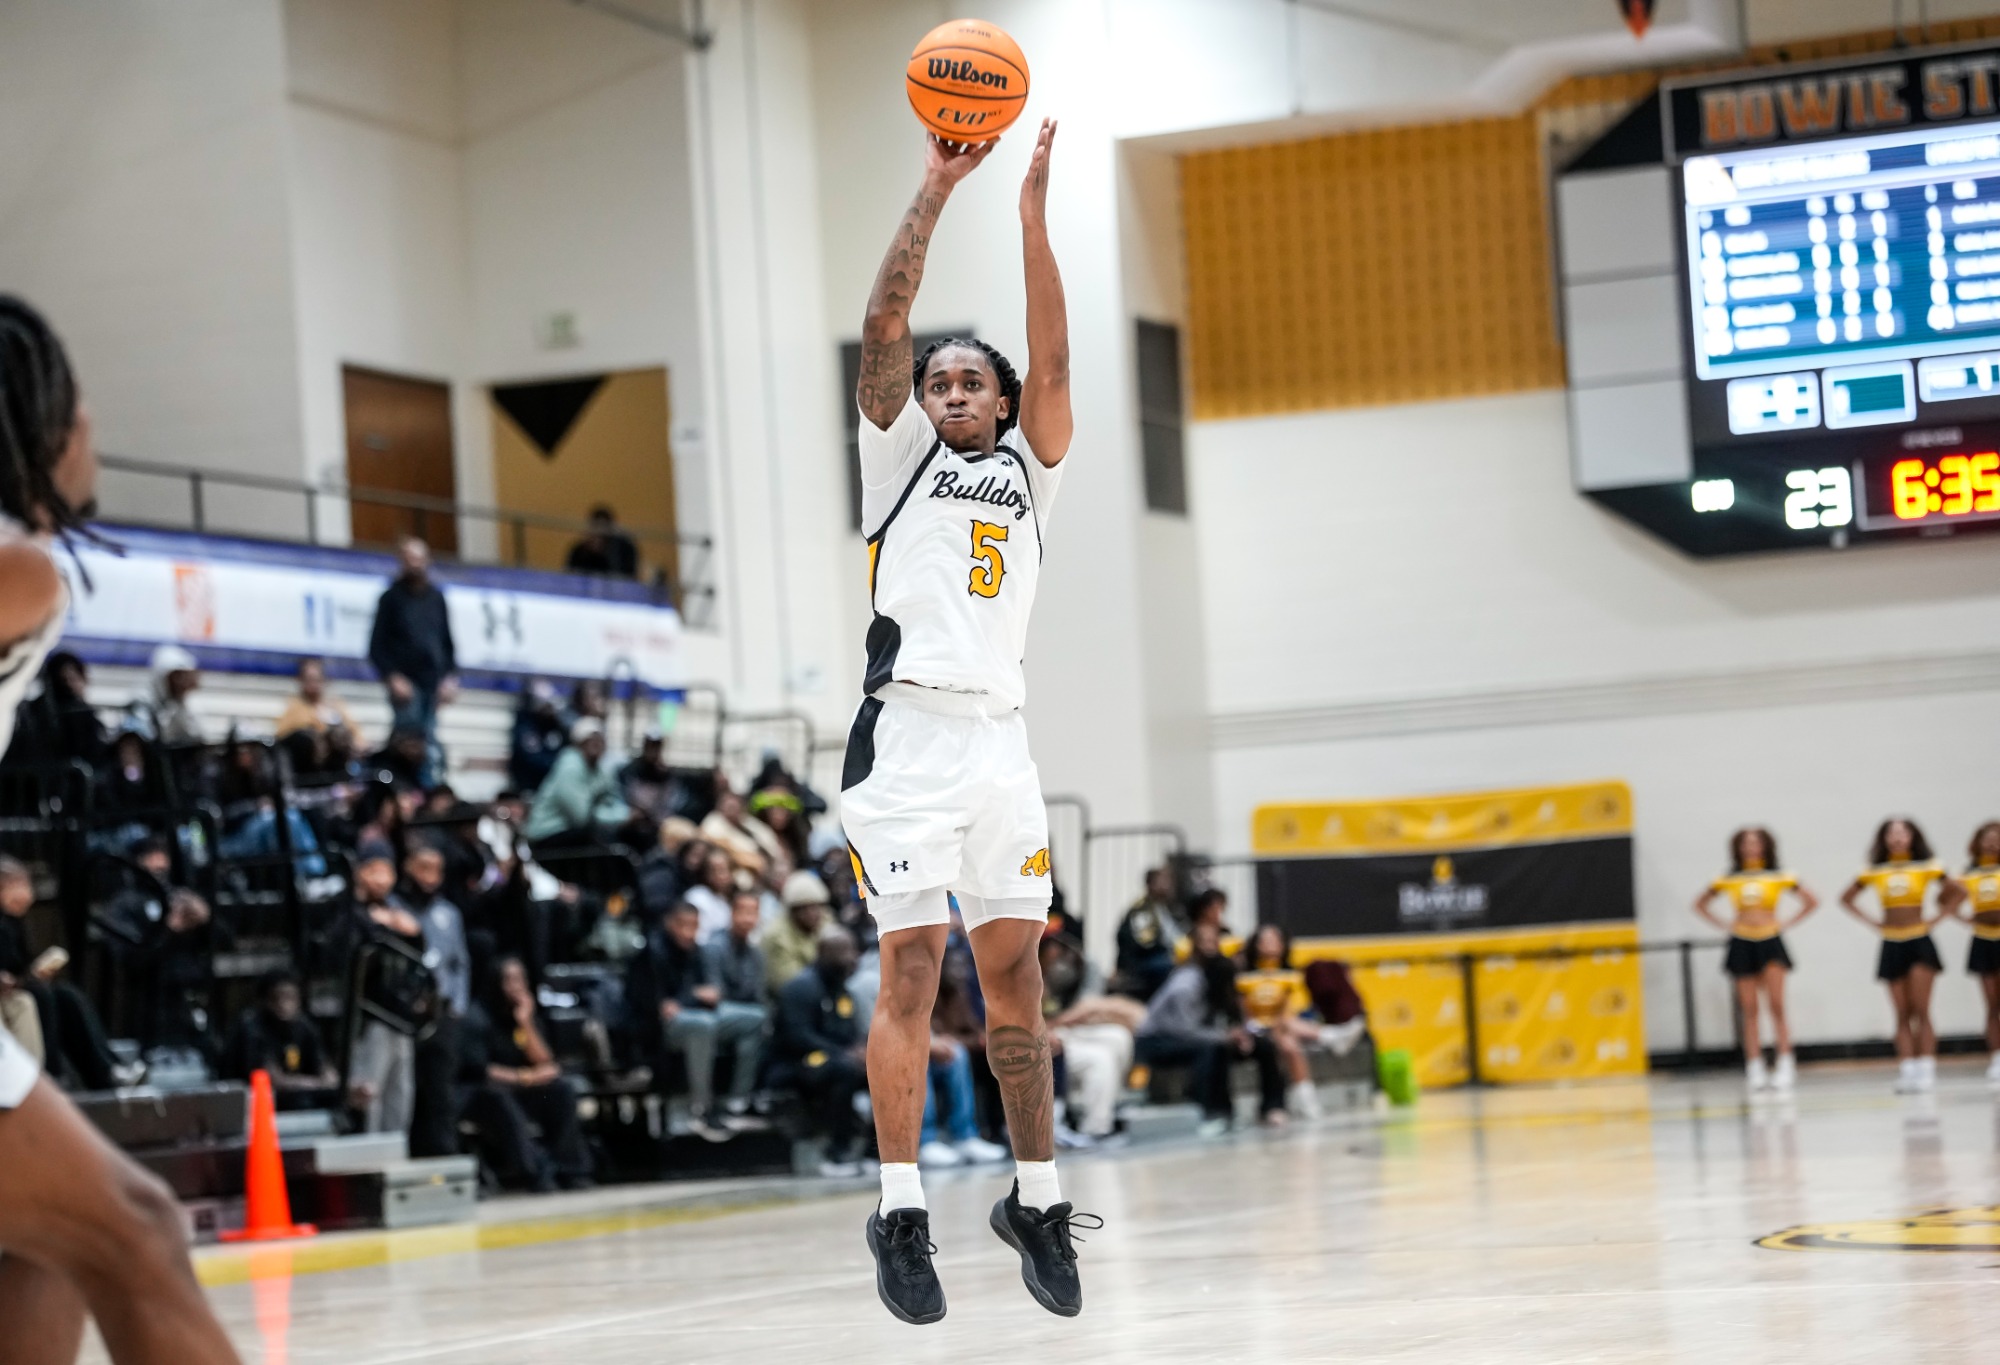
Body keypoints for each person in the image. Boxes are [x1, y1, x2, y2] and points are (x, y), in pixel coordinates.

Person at [843, 121, 1093, 1325]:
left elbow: (1053, 355)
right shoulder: (894, 456)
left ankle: (1033, 1197)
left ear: (996, 402)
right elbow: (883, 326)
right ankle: (899, 1213)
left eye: (966, 380)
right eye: (937, 381)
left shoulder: (1031, 467)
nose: (948, 390)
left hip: (1002, 745)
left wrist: (1034, 224)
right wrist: (937, 190)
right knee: (910, 972)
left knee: (1017, 984)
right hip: (906, 744)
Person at [0, 295, 244, 1364]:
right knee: (138, 1232)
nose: (95, 417)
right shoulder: (23, 571)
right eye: (79, 399)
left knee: (41, 1251)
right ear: (40, 425)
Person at [1694, 827, 1819, 1093]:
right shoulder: (1729, 878)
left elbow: (1811, 900)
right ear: (1738, 848)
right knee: (1749, 1008)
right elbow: (1700, 903)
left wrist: (1786, 922)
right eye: (1746, 843)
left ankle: (1785, 1062)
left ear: (1766, 847)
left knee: (1776, 1004)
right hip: (1741, 941)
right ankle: (1755, 1065)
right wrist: (1724, 924)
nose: (1751, 848)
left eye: (1756, 843)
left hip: (1770, 940)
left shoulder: (1779, 876)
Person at [625, 901, 761, 1139]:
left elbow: (707, 992)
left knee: (755, 1018)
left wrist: (691, 998)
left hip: (696, 1013)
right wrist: (690, 997)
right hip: (659, 1028)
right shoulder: (651, 954)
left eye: (694, 926)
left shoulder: (696, 950)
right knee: (703, 1025)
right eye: (683, 926)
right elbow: (653, 1005)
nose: (689, 933)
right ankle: (701, 1107)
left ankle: (737, 1100)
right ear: (669, 924)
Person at [1135, 919, 1286, 1132]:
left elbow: (1230, 1022)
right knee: (1211, 1049)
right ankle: (1213, 1111)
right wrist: (1226, 1037)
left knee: (1264, 1045)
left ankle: (1272, 1107)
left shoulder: (1220, 982)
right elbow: (1185, 1032)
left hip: (1201, 1034)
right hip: (1157, 1040)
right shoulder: (1185, 987)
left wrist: (1242, 1034)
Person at [459, 957, 593, 1191]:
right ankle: (535, 1172)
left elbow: (543, 1059)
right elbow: (480, 1069)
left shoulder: (523, 1013)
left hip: (522, 1088)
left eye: (520, 980)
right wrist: (527, 1078)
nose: (516, 986)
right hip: (482, 1092)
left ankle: (571, 1170)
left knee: (560, 1091)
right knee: (500, 1099)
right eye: (509, 980)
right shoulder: (477, 1016)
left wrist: (525, 1022)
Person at [1841, 818, 1948, 1094]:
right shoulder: (1876, 871)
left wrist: (1938, 916)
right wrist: (1873, 922)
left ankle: (1926, 1067)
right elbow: (1847, 898)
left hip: (1919, 940)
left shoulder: (1927, 867)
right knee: (1901, 1012)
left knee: (1921, 1009)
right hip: (1892, 942)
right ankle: (1907, 1068)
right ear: (1884, 839)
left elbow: (1956, 891)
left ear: (1913, 837)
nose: (1898, 838)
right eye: (1892, 833)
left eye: (1903, 833)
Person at [771, 931, 868, 1176]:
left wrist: (860, 1050)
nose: (850, 959)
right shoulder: (800, 987)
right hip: (795, 1062)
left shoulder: (841, 989)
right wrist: (842, 1053)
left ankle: (872, 1152)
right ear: (823, 954)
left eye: (852, 951)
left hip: (832, 1056)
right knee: (843, 1069)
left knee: (878, 1067)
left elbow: (848, 1029)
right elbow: (798, 1037)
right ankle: (837, 1154)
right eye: (843, 953)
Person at [367, 536, 458, 786]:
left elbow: (447, 642)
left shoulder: (436, 598)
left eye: (419, 559)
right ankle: (402, 786)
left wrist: (450, 677)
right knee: (407, 739)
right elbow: (376, 647)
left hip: (432, 682)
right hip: (405, 684)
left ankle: (427, 789)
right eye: (409, 559)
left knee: (428, 739)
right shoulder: (391, 599)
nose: (415, 564)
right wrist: (392, 676)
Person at [403, 842, 472, 1159]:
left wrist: (457, 1005)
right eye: (424, 869)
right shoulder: (395, 910)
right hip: (406, 1015)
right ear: (409, 869)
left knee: (442, 1091)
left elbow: (460, 964)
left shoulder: (449, 913)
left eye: (437, 871)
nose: (432, 878)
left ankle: (445, 1153)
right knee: (407, 1089)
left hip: (442, 1013)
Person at [1235, 923, 1323, 1119]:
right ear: (1255, 945)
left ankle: (1300, 1104)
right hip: (1257, 1029)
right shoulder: (1245, 979)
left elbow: (1293, 1011)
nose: (1270, 945)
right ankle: (1327, 1036)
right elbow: (1244, 1013)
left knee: (1288, 1045)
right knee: (1276, 1044)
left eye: (1275, 940)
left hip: (1283, 1027)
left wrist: (1279, 1023)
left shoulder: (1291, 977)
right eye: (1265, 940)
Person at [702, 889, 773, 1123]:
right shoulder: (714, 946)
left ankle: (741, 1099)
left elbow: (759, 995)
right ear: (731, 913)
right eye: (742, 911)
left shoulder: (755, 954)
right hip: (713, 1015)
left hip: (746, 1019)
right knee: (758, 1019)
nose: (747, 918)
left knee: (756, 1031)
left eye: (753, 912)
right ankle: (741, 1095)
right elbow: (714, 996)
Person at [219, 971, 338, 1107]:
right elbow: (272, 1080)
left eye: (290, 997)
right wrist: (318, 1084)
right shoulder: (252, 1028)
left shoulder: (304, 1026)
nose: (283, 1004)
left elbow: (324, 1066)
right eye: (277, 997)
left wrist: (334, 1083)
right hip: (251, 1103)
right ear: (265, 1000)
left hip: (299, 1094)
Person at [1941, 821, 2000, 1087]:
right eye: (1987, 839)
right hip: (1984, 940)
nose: (1992, 843)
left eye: (1997, 839)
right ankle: (1997, 1057)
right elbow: (1944, 899)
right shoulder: (1969, 873)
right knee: (1991, 1004)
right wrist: (1962, 917)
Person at [522, 719, 637, 852]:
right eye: (590, 740)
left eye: (599, 739)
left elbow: (611, 798)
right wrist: (620, 817)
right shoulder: (570, 767)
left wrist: (627, 814)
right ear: (579, 743)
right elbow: (581, 817)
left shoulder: (599, 769)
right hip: (548, 835)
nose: (596, 744)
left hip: (572, 834)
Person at [764, 871, 845, 996]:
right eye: (804, 909)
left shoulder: (827, 925)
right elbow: (787, 983)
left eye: (816, 907)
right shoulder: (777, 936)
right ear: (792, 911)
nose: (812, 914)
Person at [1113, 868, 1185, 1000]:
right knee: (1169, 965)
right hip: (1144, 960)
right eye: (1163, 882)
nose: (1168, 886)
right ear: (1150, 885)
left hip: (1165, 955)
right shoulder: (1142, 909)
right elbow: (1146, 942)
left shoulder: (1166, 908)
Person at [274, 656, 361, 746]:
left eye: (317, 679)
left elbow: (354, 732)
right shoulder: (295, 707)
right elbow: (281, 735)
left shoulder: (335, 705)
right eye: (309, 679)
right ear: (301, 680)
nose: (313, 684)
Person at [130, 643, 204, 746]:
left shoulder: (182, 703)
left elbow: (196, 737)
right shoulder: (142, 701)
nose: (180, 681)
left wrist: (182, 703)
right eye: (177, 676)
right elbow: (144, 737)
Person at [683, 847, 739, 945]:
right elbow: (698, 937)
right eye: (716, 871)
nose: (722, 876)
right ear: (706, 873)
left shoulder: (726, 899)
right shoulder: (696, 897)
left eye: (726, 870)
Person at [565, 505, 639, 579]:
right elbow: (569, 573)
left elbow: (629, 577)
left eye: (603, 532)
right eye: (596, 528)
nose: (598, 537)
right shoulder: (579, 550)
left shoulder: (624, 550)